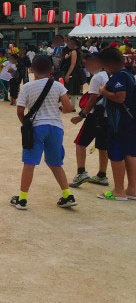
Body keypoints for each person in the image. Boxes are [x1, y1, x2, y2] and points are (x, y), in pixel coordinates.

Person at [11, 55, 76, 210]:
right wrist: (59, 109)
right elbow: (68, 107)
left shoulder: (27, 87)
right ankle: (67, 194)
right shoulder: (57, 86)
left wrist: (25, 124)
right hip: (55, 127)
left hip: (36, 127)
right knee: (55, 162)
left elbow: (20, 110)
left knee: (30, 163)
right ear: (51, 70)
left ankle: (22, 198)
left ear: (31, 70)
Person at [96, 47, 136, 201]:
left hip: (119, 123)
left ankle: (118, 190)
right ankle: (132, 189)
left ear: (109, 63)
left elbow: (120, 97)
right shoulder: (128, 74)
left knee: (116, 155)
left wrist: (103, 91)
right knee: (130, 154)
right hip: (130, 122)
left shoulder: (118, 77)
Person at [69, 53, 109, 188]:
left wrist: (81, 116)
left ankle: (81, 172)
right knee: (103, 146)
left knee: (80, 143)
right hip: (109, 117)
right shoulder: (113, 75)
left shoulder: (97, 78)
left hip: (95, 116)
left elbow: (92, 99)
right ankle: (102, 175)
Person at [61, 37, 84, 106]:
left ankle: (69, 106)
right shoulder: (79, 51)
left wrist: (68, 74)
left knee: (69, 89)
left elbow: (73, 64)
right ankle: (72, 106)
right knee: (74, 89)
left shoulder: (74, 52)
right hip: (77, 71)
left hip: (73, 71)